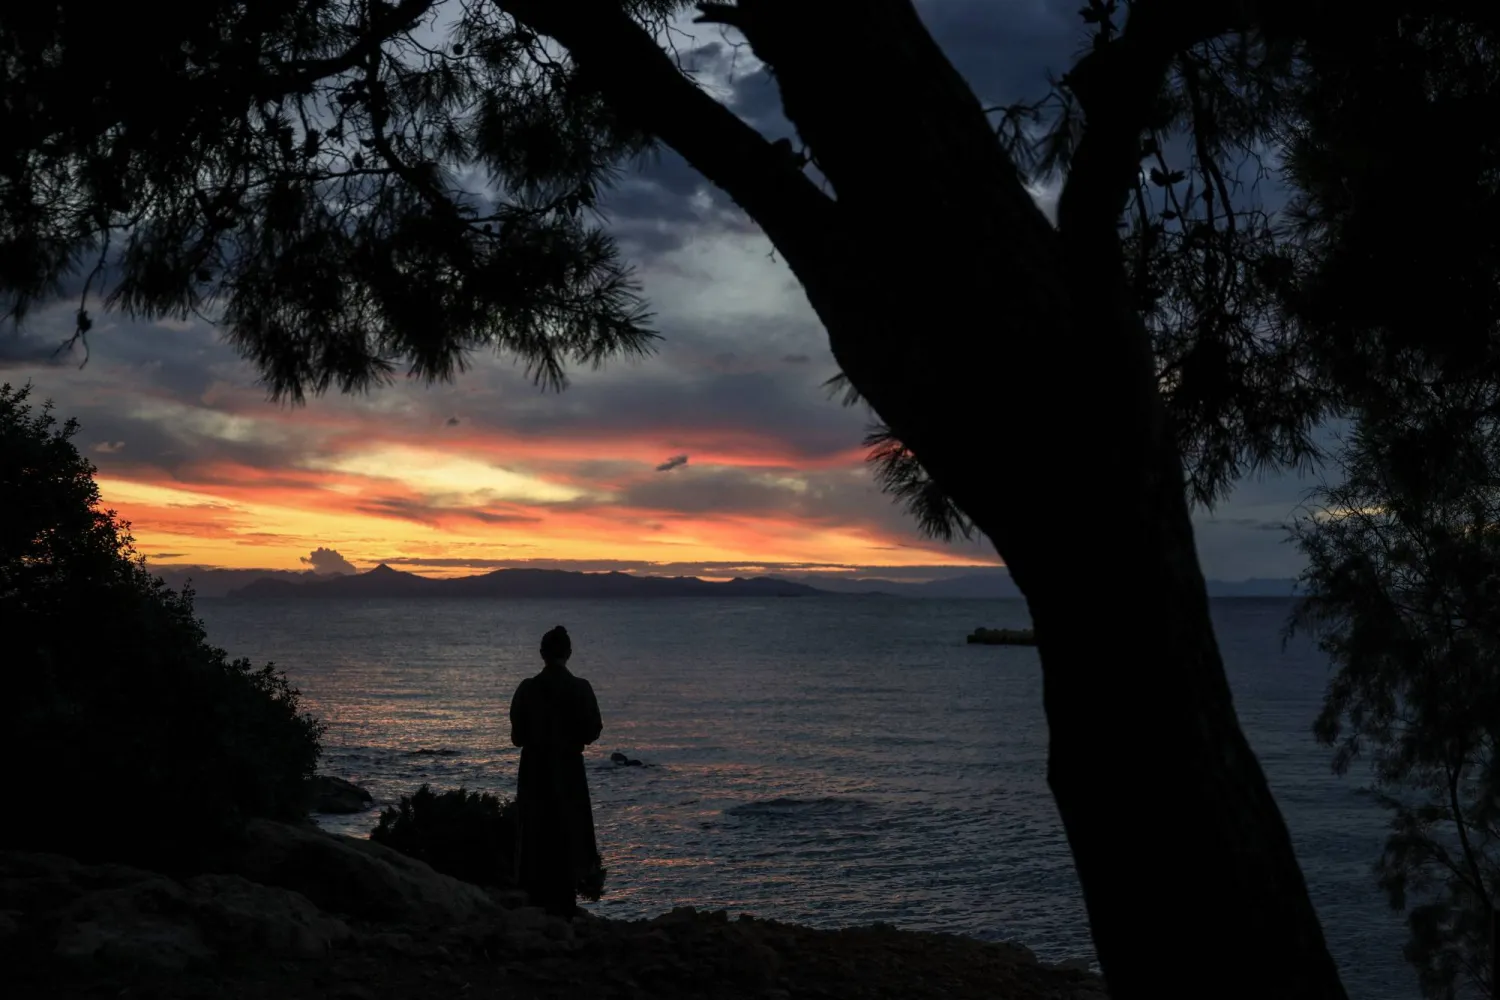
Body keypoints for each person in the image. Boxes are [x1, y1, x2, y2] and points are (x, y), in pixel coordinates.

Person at [509, 625, 603, 917]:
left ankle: (537, 897)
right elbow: (592, 730)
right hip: (569, 770)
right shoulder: (581, 688)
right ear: (569, 654)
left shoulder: (527, 689)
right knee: (569, 830)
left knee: (536, 831)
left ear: (542, 654)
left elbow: (517, 737)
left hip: (534, 771)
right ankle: (566, 900)